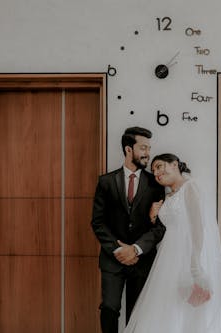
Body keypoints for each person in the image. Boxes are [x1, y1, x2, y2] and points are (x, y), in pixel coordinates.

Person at [124, 153, 221, 333]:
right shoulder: (167, 197)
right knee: (167, 305)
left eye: (160, 166)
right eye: (154, 171)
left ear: (175, 164)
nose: (157, 173)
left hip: (187, 255)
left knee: (189, 310)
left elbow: (198, 227)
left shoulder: (191, 187)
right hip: (168, 257)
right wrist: (153, 218)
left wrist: (195, 263)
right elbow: (168, 227)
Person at [91, 127, 166, 333]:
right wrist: (117, 249)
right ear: (128, 149)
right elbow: (97, 222)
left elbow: (160, 227)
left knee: (137, 313)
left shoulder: (156, 183)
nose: (147, 153)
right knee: (109, 308)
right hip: (111, 258)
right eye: (143, 147)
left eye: (149, 148)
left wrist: (136, 249)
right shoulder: (106, 181)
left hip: (142, 260)